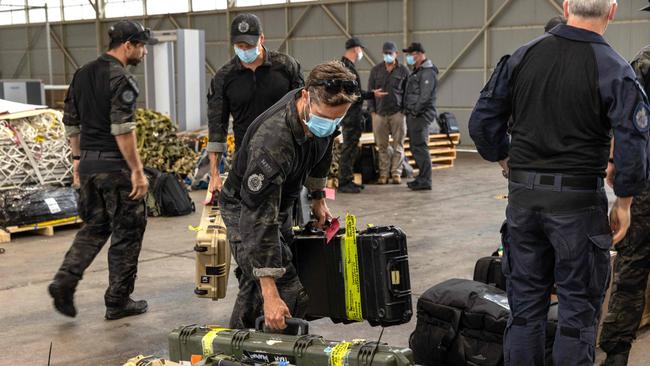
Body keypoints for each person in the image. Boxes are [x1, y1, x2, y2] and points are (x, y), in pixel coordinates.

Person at [468, 0, 649, 365]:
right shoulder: (614, 69)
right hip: (578, 207)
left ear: (567, 7)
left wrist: (505, 156)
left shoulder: (521, 57)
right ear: (612, 12)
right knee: (576, 314)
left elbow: (481, 123)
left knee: (524, 310)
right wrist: (625, 202)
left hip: (523, 203)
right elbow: (633, 143)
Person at [218, 61, 358, 330]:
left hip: (283, 201)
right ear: (305, 96)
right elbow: (259, 219)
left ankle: (239, 344)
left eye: (337, 119)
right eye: (325, 118)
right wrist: (271, 293)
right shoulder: (273, 141)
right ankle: (264, 345)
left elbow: (323, 154)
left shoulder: (323, 117)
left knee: (254, 279)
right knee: (284, 288)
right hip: (246, 208)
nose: (330, 126)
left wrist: (318, 198)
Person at [49, 20, 156, 320]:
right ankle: (118, 301)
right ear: (127, 46)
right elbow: (123, 130)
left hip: (90, 166)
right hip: (116, 169)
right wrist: (136, 170)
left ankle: (65, 281)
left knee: (94, 227)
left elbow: (71, 122)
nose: (144, 53)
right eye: (141, 47)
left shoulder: (82, 74)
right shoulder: (120, 79)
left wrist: (77, 162)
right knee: (128, 232)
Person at [599, 2, 650, 364]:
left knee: (632, 269)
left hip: (646, 184)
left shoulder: (643, 64)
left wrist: (617, 168)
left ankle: (616, 354)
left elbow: (625, 124)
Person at [207, 13, 304, 194]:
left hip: (286, 156)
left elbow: (304, 113)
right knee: (249, 212)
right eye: (239, 46)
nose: (245, 50)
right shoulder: (223, 77)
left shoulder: (287, 67)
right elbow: (216, 128)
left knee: (288, 214)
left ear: (262, 38)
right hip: (246, 158)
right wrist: (214, 174)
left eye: (250, 45)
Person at [337, 37, 387, 194]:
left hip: (353, 114)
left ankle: (348, 178)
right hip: (351, 115)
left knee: (352, 149)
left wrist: (371, 94)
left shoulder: (347, 66)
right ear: (356, 49)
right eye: (361, 50)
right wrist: (371, 94)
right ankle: (344, 181)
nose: (361, 53)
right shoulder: (346, 68)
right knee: (349, 148)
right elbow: (353, 94)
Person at [367, 41, 410, 185]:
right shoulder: (376, 70)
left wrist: (404, 111)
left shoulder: (403, 71)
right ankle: (383, 174)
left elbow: (408, 93)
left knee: (399, 145)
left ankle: (396, 174)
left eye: (390, 53)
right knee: (382, 146)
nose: (387, 56)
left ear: (396, 54)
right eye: (385, 53)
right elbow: (370, 92)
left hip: (397, 113)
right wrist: (372, 112)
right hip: (379, 114)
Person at [402, 42, 438, 191]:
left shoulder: (427, 72)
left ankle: (426, 180)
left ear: (419, 54)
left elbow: (425, 96)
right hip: (414, 115)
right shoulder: (418, 71)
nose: (409, 57)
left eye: (411, 54)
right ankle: (422, 177)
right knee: (415, 147)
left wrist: (415, 111)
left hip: (421, 115)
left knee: (420, 147)